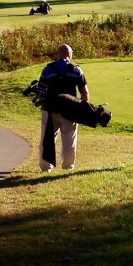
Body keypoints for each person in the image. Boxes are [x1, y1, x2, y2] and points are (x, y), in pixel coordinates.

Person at [38, 44, 89, 172]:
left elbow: (40, 92)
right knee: (69, 139)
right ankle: (68, 166)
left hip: (50, 109)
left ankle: (45, 167)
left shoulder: (47, 69)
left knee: (47, 138)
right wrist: (82, 108)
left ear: (58, 54)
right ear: (69, 54)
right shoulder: (76, 70)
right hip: (70, 110)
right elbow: (85, 93)